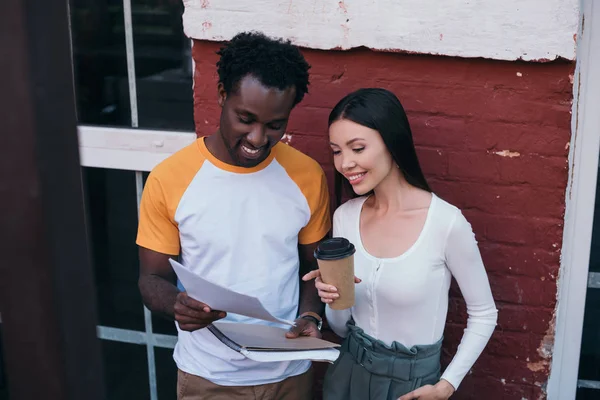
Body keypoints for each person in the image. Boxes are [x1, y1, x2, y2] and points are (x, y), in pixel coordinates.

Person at [136, 31, 331, 400]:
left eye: (275, 125)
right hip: (208, 377)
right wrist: (176, 305)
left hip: (289, 372)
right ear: (222, 95)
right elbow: (151, 277)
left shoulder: (307, 176)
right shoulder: (169, 178)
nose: (258, 138)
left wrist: (311, 317)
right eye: (246, 119)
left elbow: (314, 268)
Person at [304, 88, 498, 400]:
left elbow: (484, 312)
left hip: (412, 385)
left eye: (357, 148)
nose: (345, 163)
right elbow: (340, 327)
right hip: (347, 374)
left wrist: (446, 386)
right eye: (337, 151)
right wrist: (332, 296)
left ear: (392, 142)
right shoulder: (345, 218)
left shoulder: (445, 223)